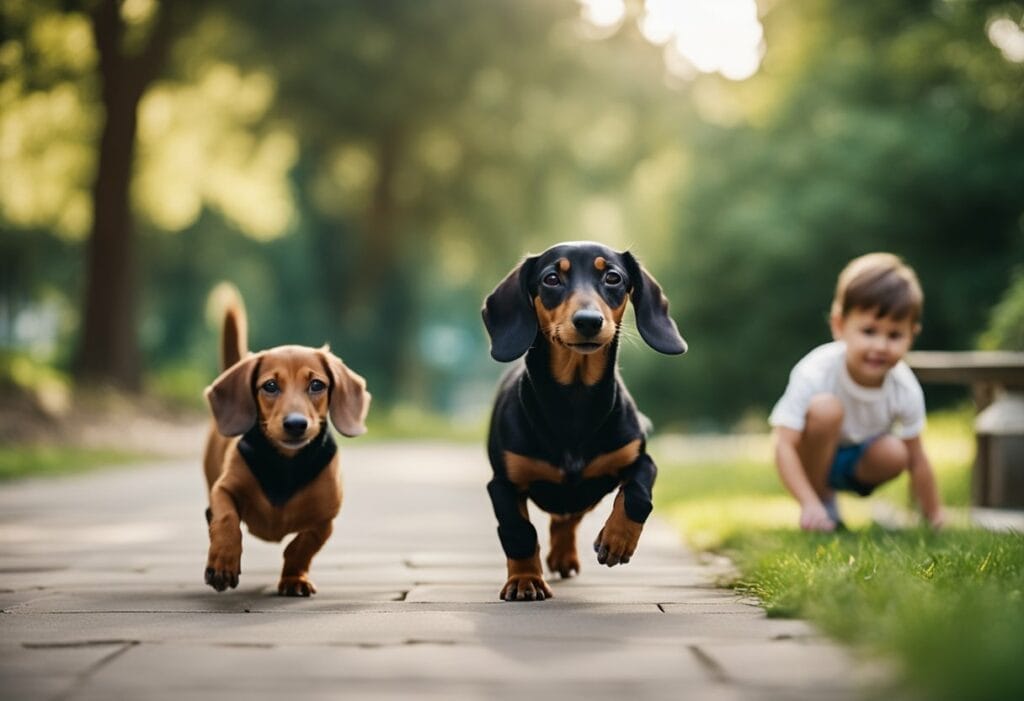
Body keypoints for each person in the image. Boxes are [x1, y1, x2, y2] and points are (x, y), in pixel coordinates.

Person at [769, 252, 945, 531]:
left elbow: (917, 459)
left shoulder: (904, 386)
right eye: (869, 331)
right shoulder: (816, 370)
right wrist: (807, 502)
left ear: (912, 334)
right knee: (826, 408)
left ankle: (842, 500)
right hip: (811, 457)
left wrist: (935, 515)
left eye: (894, 335)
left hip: (858, 464)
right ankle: (823, 504)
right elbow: (783, 444)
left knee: (897, 451)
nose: (880, 346)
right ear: (839, 326)